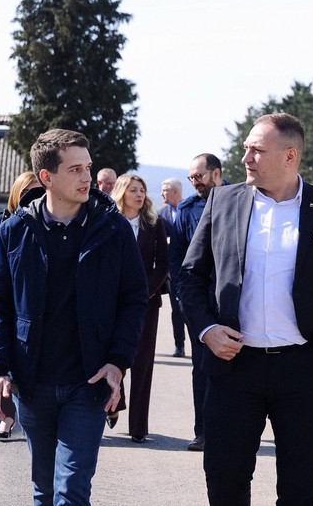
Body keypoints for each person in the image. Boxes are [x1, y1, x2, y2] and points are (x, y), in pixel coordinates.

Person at [177, 113, 313, 505]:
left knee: (299, 490)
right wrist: (207, 330)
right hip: (234, 367)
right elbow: (190, 276)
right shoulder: (223, 201)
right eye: (246, 148)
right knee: (224, 482)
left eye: (256, 150)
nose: (245, 157)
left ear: (289, 156)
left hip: (306, 371)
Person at [0, 128, 148, 505]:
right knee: (43, 489)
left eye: (88, 167)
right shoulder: (14, 231)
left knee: (71, 490)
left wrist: (118, 362)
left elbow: (134, 299)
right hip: (32, 382)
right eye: (75, 170)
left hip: (89, 382)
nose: (87, 177)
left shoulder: (114, 230)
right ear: (47, 177)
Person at [169, 153, 223, 452]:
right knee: (201, 366)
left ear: (216, 173)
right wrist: (181, 295)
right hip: (198, 302)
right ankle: (202, 432)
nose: (194, 182)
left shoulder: (241, 199)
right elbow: (177, 257)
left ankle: (235, 429)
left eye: (198, 176)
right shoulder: (187, 210)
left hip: (232, 299)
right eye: (191, 177)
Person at [109, 174, 169, 443]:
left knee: (143, 365)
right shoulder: (109, 223)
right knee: (114, 356)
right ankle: (114, 403)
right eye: (133, 190)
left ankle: (138, 427)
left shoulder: (155, 224)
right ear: (122, 192)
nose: (139, 195)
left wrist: (145, 292)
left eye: (142, 190)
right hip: (113, 304)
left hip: (146, 304)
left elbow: (163, 264)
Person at [0, 170, 41, 440]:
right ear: (17, 193)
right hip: (7, 296)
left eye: (37, 189)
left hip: (30, 301)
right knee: (2, 362)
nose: (33, 195)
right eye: (27, 190)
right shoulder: (2, 222)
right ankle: (6, 419)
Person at [157, 178, 187, 358]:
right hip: (172, 270)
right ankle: (179, 345)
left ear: (175, 192)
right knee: (176, 309)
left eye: (165, 190)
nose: (162, 194)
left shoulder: (189, 209)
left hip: (191, 268)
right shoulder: (160, 215)